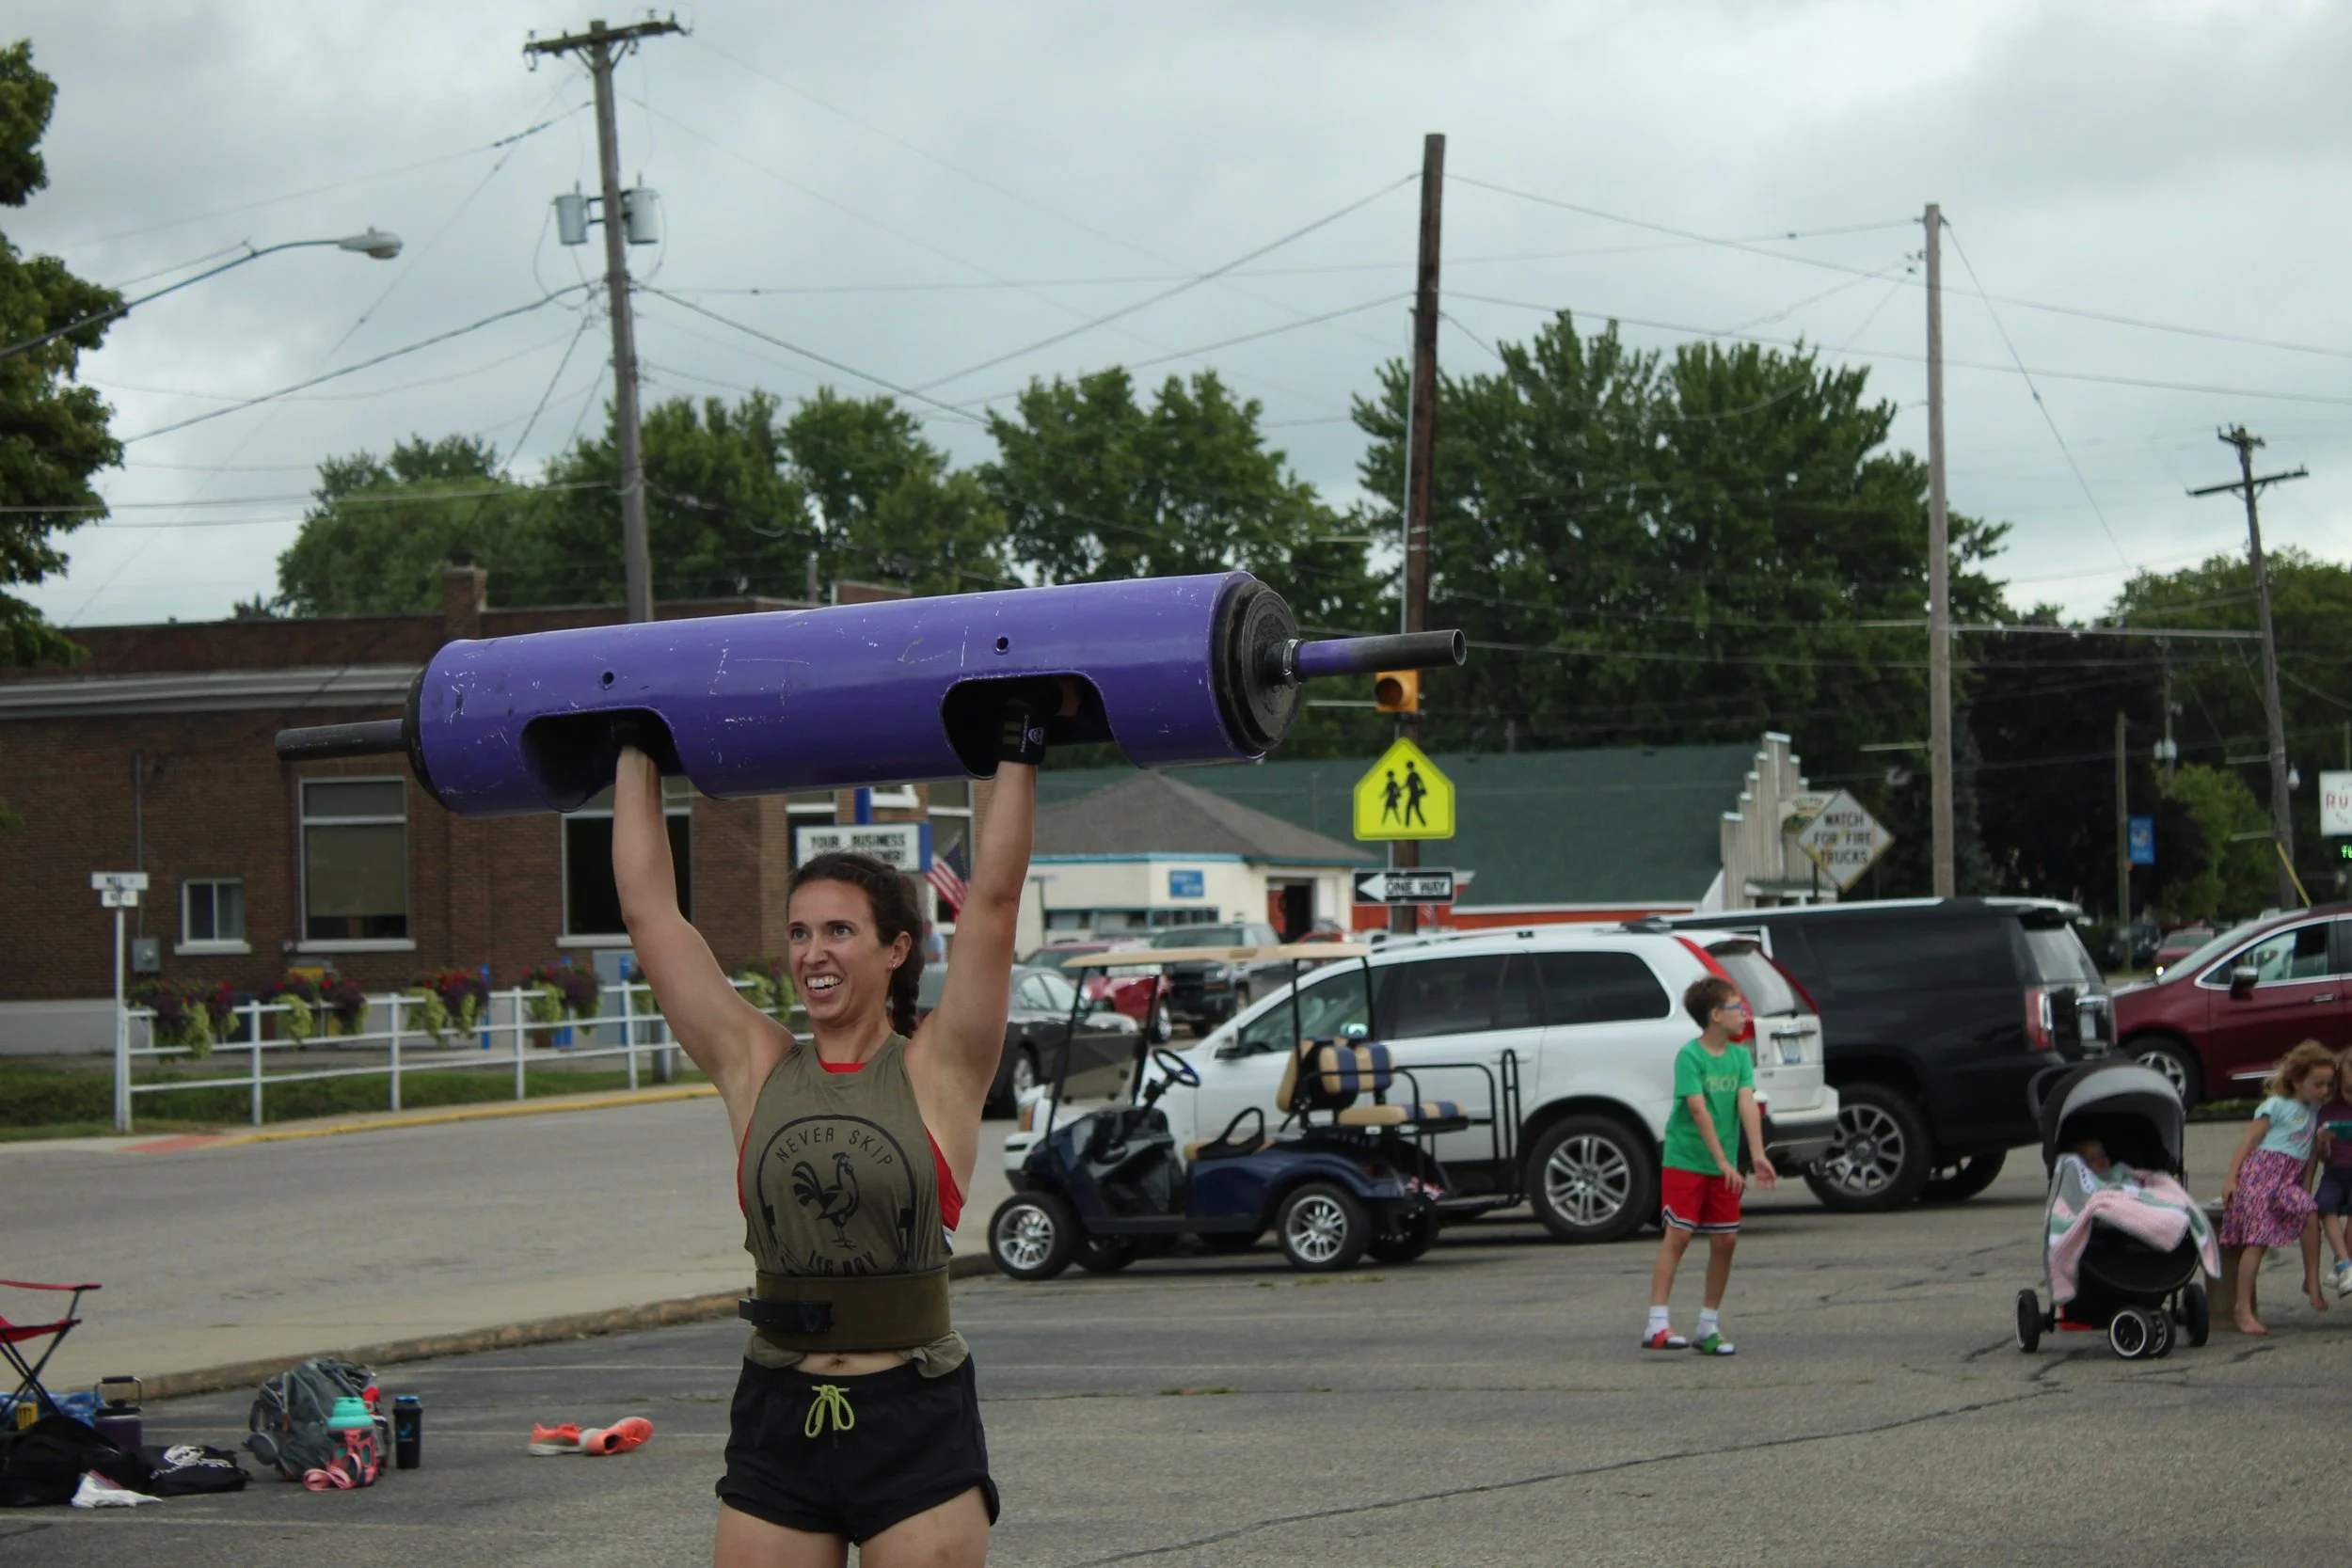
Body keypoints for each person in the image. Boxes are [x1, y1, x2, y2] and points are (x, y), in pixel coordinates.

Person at [613, 686, 1064, 1567]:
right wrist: (636, 744)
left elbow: (994, 905)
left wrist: (1022, 742)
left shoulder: (939, 1068)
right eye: (798, 931)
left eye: (839, 930)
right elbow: (649, 915)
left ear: (896, 949)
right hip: (779, 1410)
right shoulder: (756, 1064)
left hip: (913, 1419)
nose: (812, 951)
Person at [1643, 975, 1777, 1356]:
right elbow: (1698, 1110)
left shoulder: (1739, 1056)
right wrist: (1720, 1160)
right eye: (1738, 1007)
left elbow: (1747, 1103)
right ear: (1716, 1015)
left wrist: (1757, 1155)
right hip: (1687, 1159)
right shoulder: (1690, 1056)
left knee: (1726, 1240)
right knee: (1680, 1235)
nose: (1744, 1014)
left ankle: (1708, 1325)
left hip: (1725, 1166)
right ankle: (1657, 1323)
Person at [2218, 1037, 2336, 1336]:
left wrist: (2307, 1185)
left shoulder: (2315, 1113)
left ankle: (2311, 1280)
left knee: (2309, 1212)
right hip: (2260, 1177)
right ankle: (2242, 1309)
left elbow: (2310, 1157)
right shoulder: (2277, 1105)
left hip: (2287, 1181)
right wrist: (2231, 1178)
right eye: (2318, 1085)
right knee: (2257, 1241)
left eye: (2328, 1085)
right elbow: (2249, 1140)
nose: (2324, 1091)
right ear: (2297, 1081)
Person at [2312, 1052, 2352, 1295]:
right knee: (2326, 1206)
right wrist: (2323, 1142)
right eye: (2349, 1091)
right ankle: (2345, 1263)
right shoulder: (2329, 1111)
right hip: (2335, 1173)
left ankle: (2343, 1265)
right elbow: (2323, 1156)